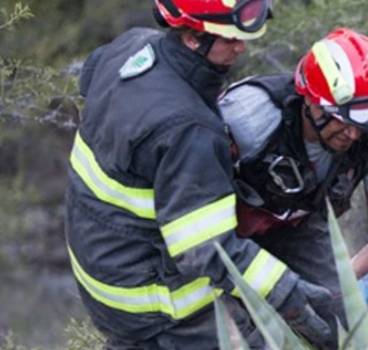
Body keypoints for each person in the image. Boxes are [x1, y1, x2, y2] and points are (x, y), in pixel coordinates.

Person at [66, 1, 340, 348]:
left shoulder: (133, 46)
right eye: (229, 38)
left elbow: (90, 77)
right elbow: (206, 248)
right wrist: (284, 290)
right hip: (147, 302)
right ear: (193, 38)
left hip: (99, 265)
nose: (241, 47)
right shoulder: (188, 129)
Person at [217, 28, 368, 343]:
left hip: (296, 226)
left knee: (342, 326)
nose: (352, 134)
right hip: (219, 232)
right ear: (310, 101)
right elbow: (186, 187)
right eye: (341, 118)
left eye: (361, 121)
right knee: (242, 336)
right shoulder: (247, 118)